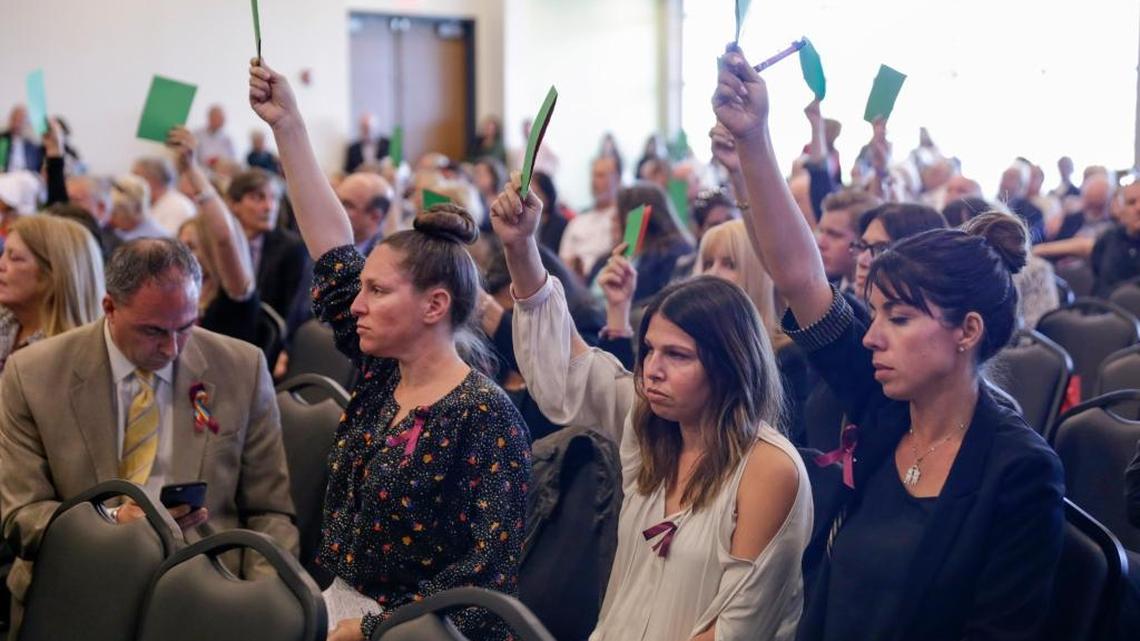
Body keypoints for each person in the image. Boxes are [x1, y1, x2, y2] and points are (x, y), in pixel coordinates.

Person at [715, 46, 1064, 641]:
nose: (871, 336)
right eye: (874, 314)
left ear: (967, 332)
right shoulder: (885, 407)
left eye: (898, 319)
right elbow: (800, 275)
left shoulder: (1019, 472)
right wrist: (754, 140)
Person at [250, 58, 530, 641]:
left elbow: (485, 585)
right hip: (340, 608)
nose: (356, 304)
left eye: (377, 291)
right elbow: (332, 249)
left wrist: (375, 628)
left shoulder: (483, 415)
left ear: (434, 305)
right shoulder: (384, 372)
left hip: (414, 633)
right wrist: (289, 128)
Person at [493, 170, 812, 641]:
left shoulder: (769, 467)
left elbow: (735, 630)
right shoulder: (650, 427)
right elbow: (567, 367)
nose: (652, 371)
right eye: (650, 352)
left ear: (730, 365)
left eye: (678, 356)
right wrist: (521, 249)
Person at [0, 237, 299, 634]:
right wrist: (109, 523)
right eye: (153, 331)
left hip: (206, 585)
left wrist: (254, 601)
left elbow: (270, 510)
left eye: (187, 327)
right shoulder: (34, 374)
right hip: (79, 581)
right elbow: (20, 512)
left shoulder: (240, 367)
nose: (172, 347)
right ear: (109, 308)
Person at [168, 127, 260, 344]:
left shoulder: (234, 292)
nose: (182, 254)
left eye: (191, 246)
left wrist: (191, 169)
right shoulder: (190, 289)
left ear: (211, 249)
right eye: (181, 246)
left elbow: (224, 236)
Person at [0, 215, 104, 372]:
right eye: (3, 254)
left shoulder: (72, 359)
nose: (1, 265)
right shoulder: (6, 323)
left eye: (15, 258)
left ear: (53, 275)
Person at [227, 168, 310, 322]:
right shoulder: (223, 242)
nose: (269, 207)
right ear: (234, 204)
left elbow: (292, 313)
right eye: (258, 198)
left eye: (274, 198)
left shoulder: (292, 249)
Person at [560, 156, 620, 278]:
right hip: (574, 284)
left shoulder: (621, 220)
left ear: (617, 180)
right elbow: (563, 260)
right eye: (593, 176)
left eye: (601, 175)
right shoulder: (578, 221)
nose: (594, 181)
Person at [816, 189, 882, 293]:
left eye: (834, 235)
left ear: (863, 241)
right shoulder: (825, 291)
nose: (820, 244)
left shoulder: (882, 300)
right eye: (821, 231)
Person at [1090, 178, 1140, 297]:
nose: (1139, 208)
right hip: (1105, 310)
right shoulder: (1108, 240)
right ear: (1121, 210)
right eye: (1131, 202)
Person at [132, 156, 197, 236]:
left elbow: (166, 243)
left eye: (136, 178)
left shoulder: (178, 206)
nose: (133, 183)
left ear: (153, 179)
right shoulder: (151, 203)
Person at [336, 172, 392, 258]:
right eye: (335, 199)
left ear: (374, 217)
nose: (336, 208)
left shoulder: (385, 260)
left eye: (347, 205)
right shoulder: (314, 238)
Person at [108, 174, 171, 241]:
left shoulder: (161, 239)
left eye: (114, 213)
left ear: (137, 209)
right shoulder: (117, 233)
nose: (110, 218)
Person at [0, 106, 43, 173]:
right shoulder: (3, 140)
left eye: (21, 120)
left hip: (26, 177)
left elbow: (36, 168)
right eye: (15, 119)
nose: (17, 124)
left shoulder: (32, 144)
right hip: (6, 177)